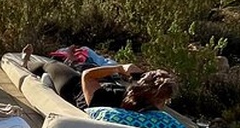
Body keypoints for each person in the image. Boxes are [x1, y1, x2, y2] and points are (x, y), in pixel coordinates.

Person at [20, 44, 177, 112]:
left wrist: (118, 68)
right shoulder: (143, 101)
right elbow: (138, 79)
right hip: (101, 81)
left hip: (73, 86)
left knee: (51, 65)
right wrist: (139, 75)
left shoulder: (109, 99)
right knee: (85, 64)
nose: (162, 105)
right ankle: (72, 58)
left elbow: (87, 78)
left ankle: (26, 62)